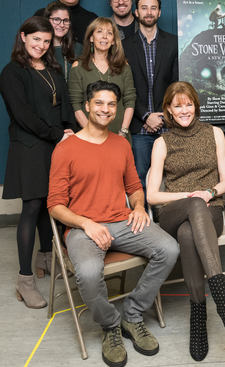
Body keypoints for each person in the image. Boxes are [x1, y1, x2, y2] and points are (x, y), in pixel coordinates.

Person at [47, 80, 179, 367]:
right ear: (87, 106)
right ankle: (110, 325)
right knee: (90, 270)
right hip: (83, 228)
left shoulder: (121, 144)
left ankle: (133, 315)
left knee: (169, 248)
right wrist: (87, 224)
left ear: (116, 109)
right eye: (99, 103)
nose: (105, 109)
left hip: (122, 221)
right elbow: (55, 204)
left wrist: (140, 207)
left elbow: (134, 186)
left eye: (110, 104)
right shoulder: (66, 149)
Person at [146, 82, 225, 362]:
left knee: (190, 235)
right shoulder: (161, 142)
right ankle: (222, 295)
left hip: (210, 210)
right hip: (172, 212)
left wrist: (210, 192)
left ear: (195, 105)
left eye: (188, 104)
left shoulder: (214, 134)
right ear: (168, 110)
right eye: (178, 105)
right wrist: (190, 196)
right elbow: (152, 195)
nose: (184, 110)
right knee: (193, 207)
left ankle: (198, 316)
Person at [0, 16, 76, 309]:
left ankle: (48, 257)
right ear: (23, 37)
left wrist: (71, 131)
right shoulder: (11, 72)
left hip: (55, 144)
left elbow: (64, 105)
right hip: (30, 146)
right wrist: (57, 134)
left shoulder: (54, 68)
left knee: (51, 204)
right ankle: (25, 279)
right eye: (35, 40)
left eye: (46, 41)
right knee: (32, 206)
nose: (41, 46)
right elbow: (23, 115)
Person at [123, 0, 178, 191]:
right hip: (139, 128)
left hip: (169, 126)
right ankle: (144, 219)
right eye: (144, 8)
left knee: (172, 178)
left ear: (160, 12)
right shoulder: (124, 46)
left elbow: (176, 85)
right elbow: (124, 89)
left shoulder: (173, 43)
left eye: (153, 8)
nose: (149, 12)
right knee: (139, 178)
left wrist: (162, 116)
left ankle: (169, 220)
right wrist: (146, 115)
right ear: (136, 12)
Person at [69, 17, 136, 142]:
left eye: (109, 33)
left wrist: (123, 131)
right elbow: (76, 104)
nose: (104, 36)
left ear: (113, 41)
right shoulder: (78, 67)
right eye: (99, 32)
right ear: (91, 38)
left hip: (120, 135)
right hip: (89, 138)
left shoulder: (124, 67)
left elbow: (130, 101)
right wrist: (91, 133)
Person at [43, 1, 83, 84]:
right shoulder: (40, 49)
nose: (61, 25)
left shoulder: (78, 48)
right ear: (47, 20)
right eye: (56, 19)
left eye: (65, 20)